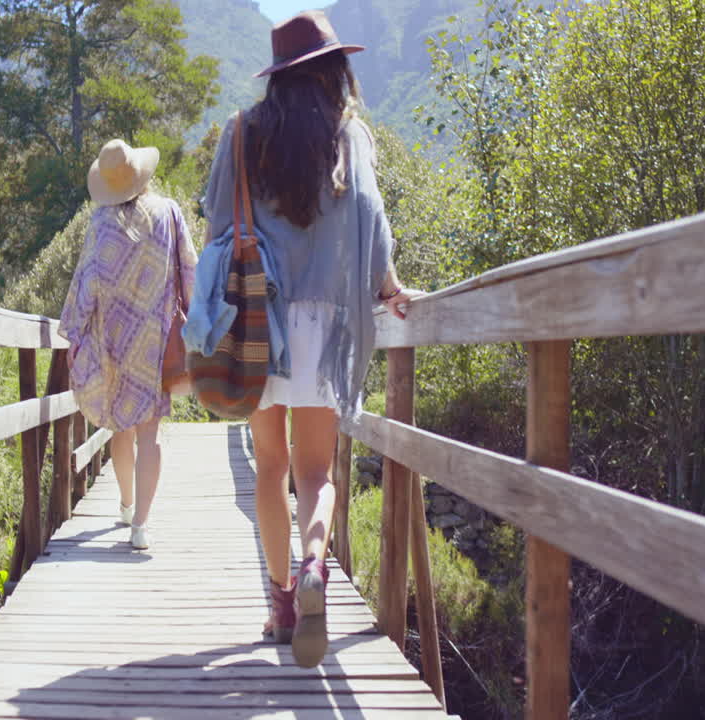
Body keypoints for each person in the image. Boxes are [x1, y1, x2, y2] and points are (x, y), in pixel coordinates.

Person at [200, 10, 423, 668]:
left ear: (277, 75)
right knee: (317, 472)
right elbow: (373, 222)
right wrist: (387, 285)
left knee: (269, 469)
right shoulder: (349, 138)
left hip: (255, 324)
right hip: (325, 326)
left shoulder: (242, 133)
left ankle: (279, 602)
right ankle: (314, 567)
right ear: (334, 69)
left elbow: (216, 223)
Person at [59, 138, 197, 551]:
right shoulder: (169, 212)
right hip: (153, 340)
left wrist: (75, 331)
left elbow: (84, 284)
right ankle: (141, 525)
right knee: (149, 434)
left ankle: (124, 503)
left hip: (112, 342)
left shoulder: (100, 224)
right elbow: (190, 268)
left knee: (120, 425)